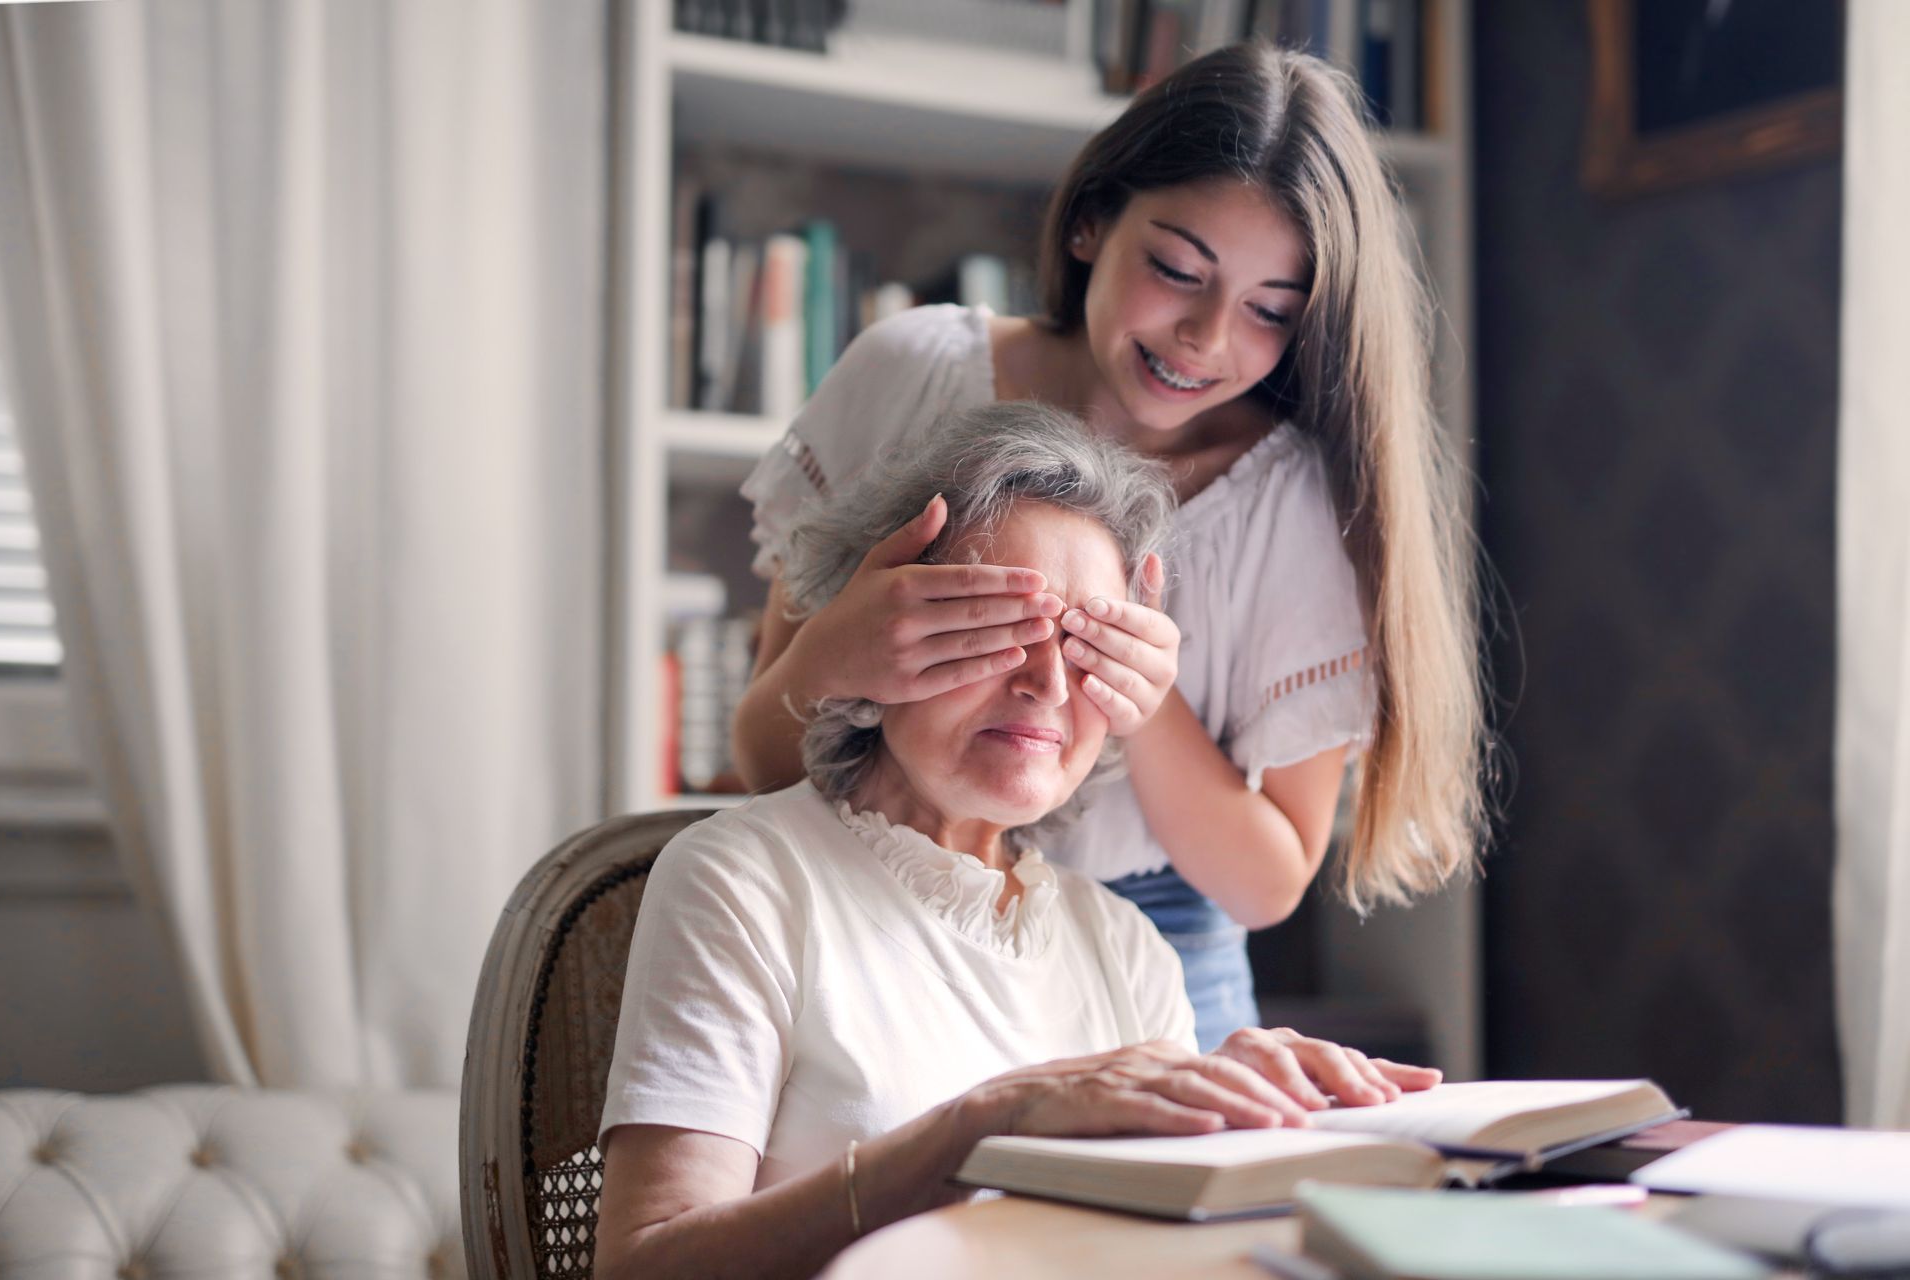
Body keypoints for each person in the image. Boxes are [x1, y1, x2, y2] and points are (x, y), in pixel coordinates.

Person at [732, 42, 1488, 1050]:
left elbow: (1268, 881)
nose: (1205, 337)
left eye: (1270, 311)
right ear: (1091, 222)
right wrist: (837, 653)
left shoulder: (1292, 503)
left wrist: (1136, 693)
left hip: (1160, 953)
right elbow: (759, 758)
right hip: (879, 912)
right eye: (1176, 269)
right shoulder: (909, 373)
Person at [594, 405, 1440, 1280]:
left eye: (1087, 645)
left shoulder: (1127, 951)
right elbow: (642, 1266)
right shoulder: (742, 883)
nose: (1045, 682)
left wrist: (1264, 1128)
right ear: (886, 634)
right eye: (997, 627)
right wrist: (985, 1123)